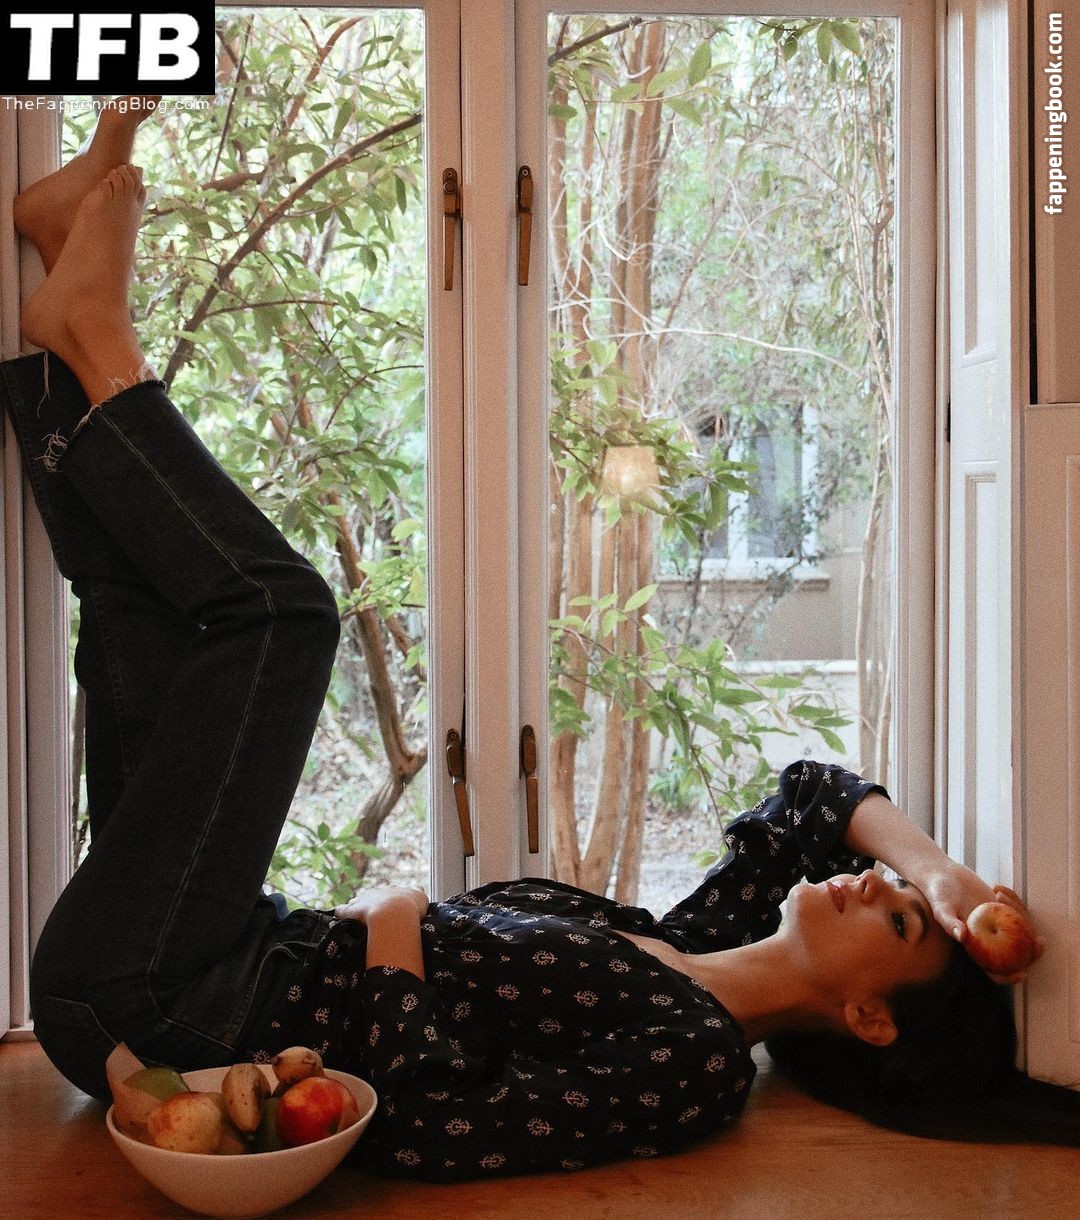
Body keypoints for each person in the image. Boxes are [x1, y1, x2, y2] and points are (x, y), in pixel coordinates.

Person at [2, 103, 1076, 1184]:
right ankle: (60, 272)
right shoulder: (692, 934)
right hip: (215, 947)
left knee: (284, 615)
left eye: (897, 922)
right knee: (138, 612)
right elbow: (811, 798)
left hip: (171, 1012)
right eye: (892, 887)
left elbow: (439, 1123)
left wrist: (392, 934)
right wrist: (943, 880)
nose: (870, 884)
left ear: (868, 1019)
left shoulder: (696, 1061)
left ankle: (97, 332)